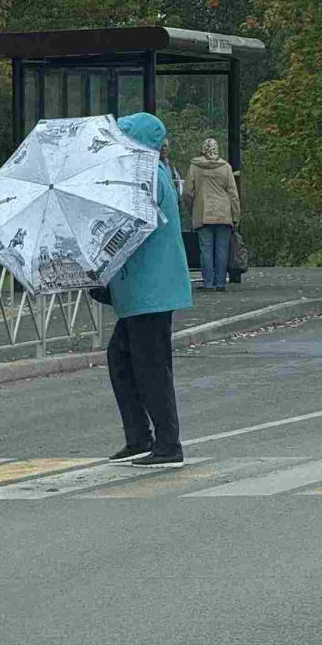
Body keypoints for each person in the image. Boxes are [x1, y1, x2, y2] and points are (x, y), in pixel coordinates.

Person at [106, 113, 193, 468]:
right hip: (141, 292)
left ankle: (168, 445)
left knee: (151, 367)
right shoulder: (146, 174)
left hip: (151, 292)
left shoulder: (147, 176)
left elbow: (129, 227)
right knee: (123, 360)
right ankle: (140, 438)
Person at [183, 137, 241, 291]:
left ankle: (208, 283)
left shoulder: (195, 166)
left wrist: (192, 208)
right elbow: (233, 194)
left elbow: (187, 192)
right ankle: (220, 283)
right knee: (222, 250)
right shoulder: (225, 167)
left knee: (206, 250)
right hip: (224, 214)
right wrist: (236, 215)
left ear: (203, 150)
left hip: (203, 213)